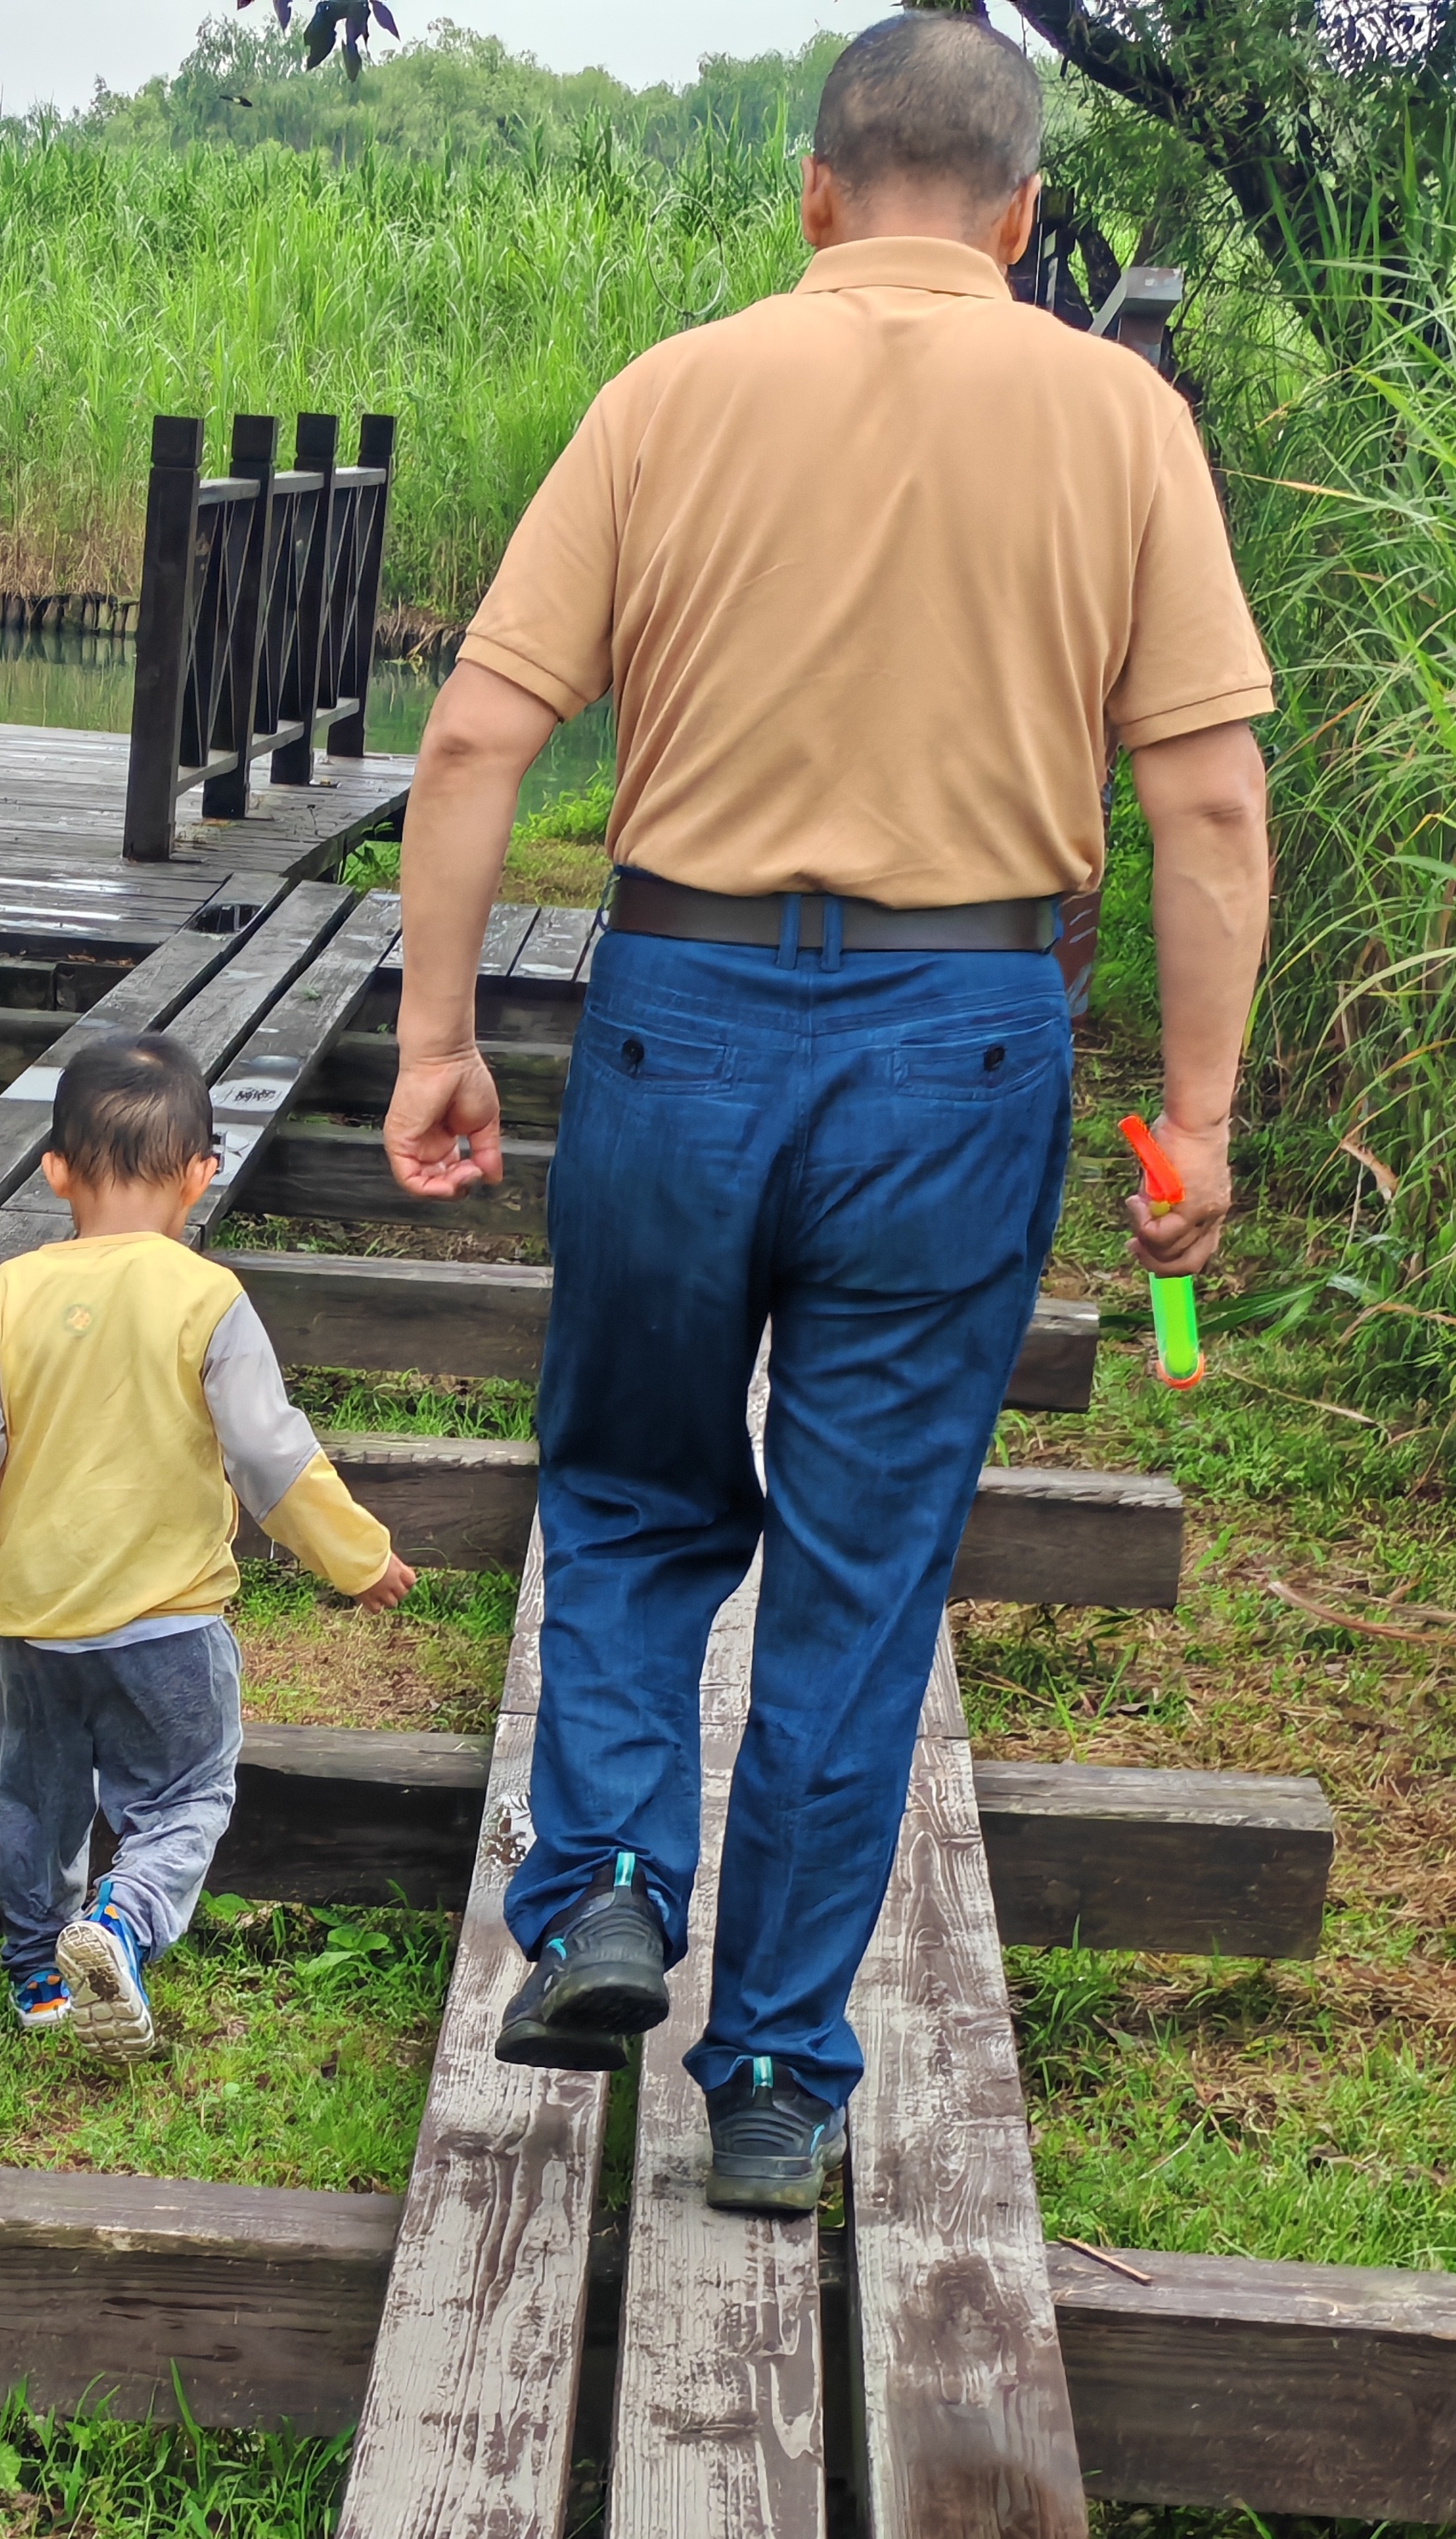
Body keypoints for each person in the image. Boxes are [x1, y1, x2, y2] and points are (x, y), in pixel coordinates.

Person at [383, 10, 1273, 2214]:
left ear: (813, 191)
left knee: (629, 1487)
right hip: (964, 1042)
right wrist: (1197, 1121)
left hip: (679, 1011)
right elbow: (1211, 796)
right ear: (1021, 213)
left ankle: (599, 1885)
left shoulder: (673, 393)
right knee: (861, 1583)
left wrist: (434, 1039)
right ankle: (775, 2078)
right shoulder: (1120, 418)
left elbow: (481, 742)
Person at [0, 1031, 415, 2058]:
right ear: (199, 1176)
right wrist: (357, 1558)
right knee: (186, 1796)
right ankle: (124, 1925)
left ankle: (41, 1976)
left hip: (34, 1633)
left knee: (37, 1805)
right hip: (167, 1627)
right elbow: (272, 1455)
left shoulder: (6, 1297)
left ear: (55, 1172)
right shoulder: (204, 1296)